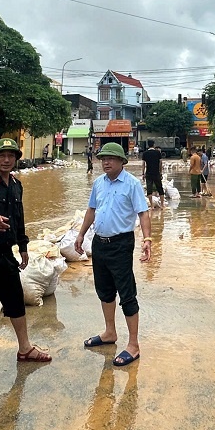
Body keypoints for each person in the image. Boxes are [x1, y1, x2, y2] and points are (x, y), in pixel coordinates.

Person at [0, 138, 52, 376]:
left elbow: (19, 218)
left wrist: (23, 246)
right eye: (1, 156)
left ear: (16, 159)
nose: (6, 160)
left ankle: (25, 348)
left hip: (5, 253)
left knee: (15, 300)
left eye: (11, 156)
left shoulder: (16, 185)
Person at [74, 142, 152, 367]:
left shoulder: (132, 184)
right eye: (103, 159)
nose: (105, 162)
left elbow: (143, 214)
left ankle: (134, 345)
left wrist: (147, 240)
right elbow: (91, 210)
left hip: (121, 244)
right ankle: (110, 332)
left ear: (121, 161)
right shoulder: (99, 183)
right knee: (105, 290)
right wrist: (81, 235)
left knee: (126, 293)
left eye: (110, 158)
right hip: (100, 243)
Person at [141, 139, 164, 209]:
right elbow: (160, 163)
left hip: (148, 173)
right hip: (156, 173)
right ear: (153, 144)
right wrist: (160, 172)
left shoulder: (145, 153)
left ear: (148, 145)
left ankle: (151, 206)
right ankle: (162, 205)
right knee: (160, 188)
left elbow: (143, 164)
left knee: (149, 189)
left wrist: (143, 173)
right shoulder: (158, 153)